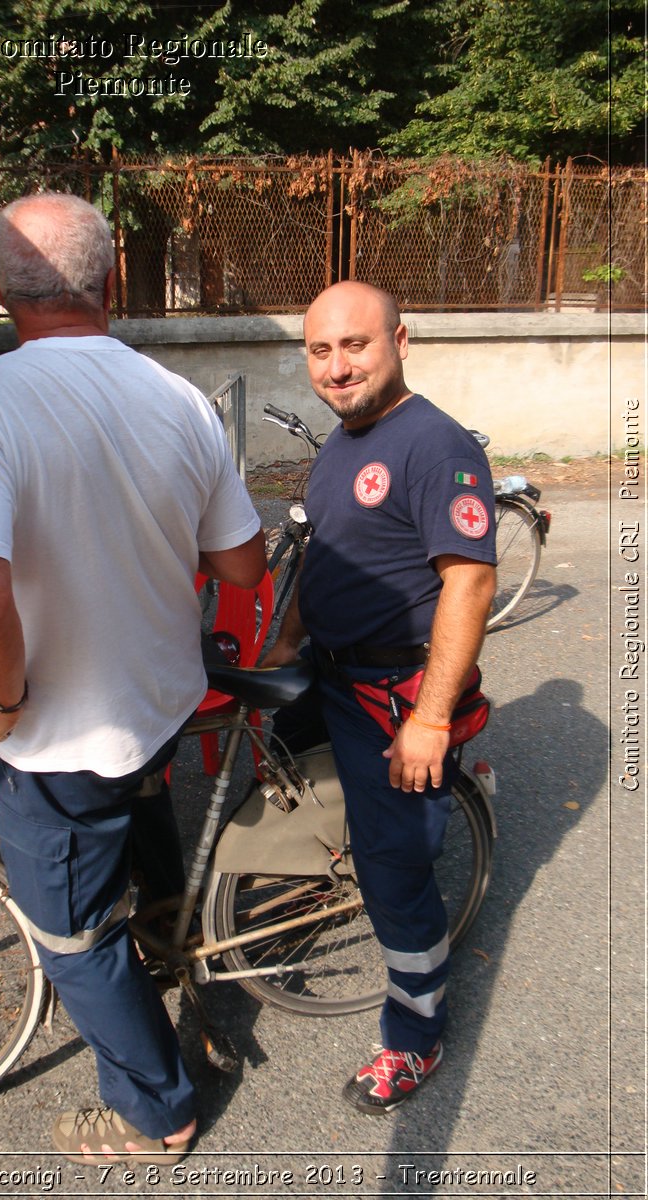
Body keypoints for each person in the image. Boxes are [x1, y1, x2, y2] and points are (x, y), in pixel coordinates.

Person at [0, 192, 266, 1164]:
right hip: (157, 704)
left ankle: (158, 1111)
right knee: (140, 812)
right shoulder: (177, 400)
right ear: (113, 282)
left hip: (61, 738)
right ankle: (168, 946)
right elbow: (241, 566)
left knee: (71, 940)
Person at [263, 281, 497, 1113]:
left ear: (401, 339)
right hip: (329, 665)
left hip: (393, 693)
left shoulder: (435, 447)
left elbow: (468, 582)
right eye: (321, 350)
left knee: (394, 871)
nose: (337, 366)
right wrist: (287, 640)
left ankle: (416, 1035)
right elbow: (325, 556)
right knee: (273, 767)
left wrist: (432, 720)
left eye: (355, 345)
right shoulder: (343, 439)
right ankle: (339, 862)